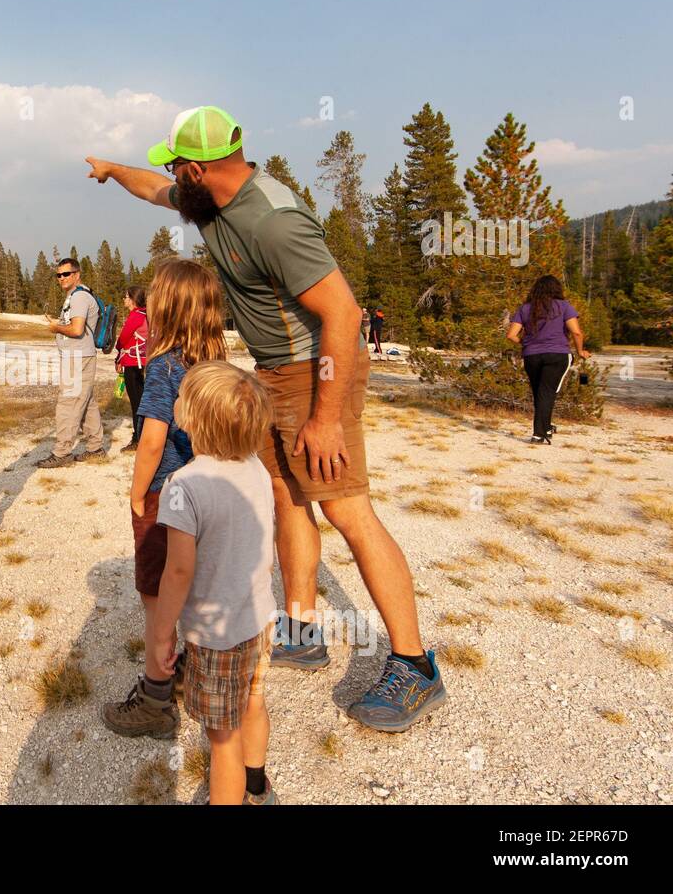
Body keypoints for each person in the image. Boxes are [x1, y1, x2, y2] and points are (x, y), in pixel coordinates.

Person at [86, 105, 446, 733]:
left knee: (346, 508)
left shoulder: (273, 220)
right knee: (285, 496)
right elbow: (153, 189)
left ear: (199, 167)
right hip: (275, 370)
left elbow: (344, 313)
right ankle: (301, 628)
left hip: (316, 370)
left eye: (177, 167)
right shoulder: (213, 199)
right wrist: (115, 171)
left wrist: (326, 418)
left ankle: (415, 664)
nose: (171, 179)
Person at [101, 259, 228, 739]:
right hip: (208, 493)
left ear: (167, 310)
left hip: (167, 497)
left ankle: (156, 695)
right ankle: (192, 670)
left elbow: (152, 439)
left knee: (157, 596)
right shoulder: (215, 365)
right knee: (192, 585)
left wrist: (136, 495)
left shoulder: (164, 366)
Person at [150, 359, 277, 804]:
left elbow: (178, 571)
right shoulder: (256, 468)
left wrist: (161, 633)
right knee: (254, 702)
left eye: (182, 396)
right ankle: (257, 784)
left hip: (217, 636)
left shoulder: (185, 485)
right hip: (259, 619)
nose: (176, 400)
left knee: (222, 739)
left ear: (195, 419)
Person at [35, 256, 104, 468]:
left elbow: (76, 330)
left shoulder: (79, 298)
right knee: (86, 402)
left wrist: (56, 328)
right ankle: (96, 447)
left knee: (68, 403)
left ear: (77, 274)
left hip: (78, 357)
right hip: (76, 356)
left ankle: (62, 452)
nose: (62, 278)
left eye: (66, 274)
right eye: (58, 275)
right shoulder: (75, 296)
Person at [506, 274, 590, 444]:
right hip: (557, 355)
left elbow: (511, 335)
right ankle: (539, 433)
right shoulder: (564, 306)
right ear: (557, 289)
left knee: (540, 392)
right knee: (548, 392)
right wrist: (581, 351)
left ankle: (546, 427)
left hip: (532, 355)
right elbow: (576, 332)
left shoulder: (526, 308)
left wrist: (527, 342)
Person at [114, 285, 149, 452]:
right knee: (142, 399)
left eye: (127, 297)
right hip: (143, 361)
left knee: (136, 402)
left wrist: (117, 352)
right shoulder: (147, 313)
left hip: (132, 363)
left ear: (134, 299)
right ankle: (144, 435)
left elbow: (123, 338)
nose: (124, 299)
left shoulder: (135, 316)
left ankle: (138, 438)